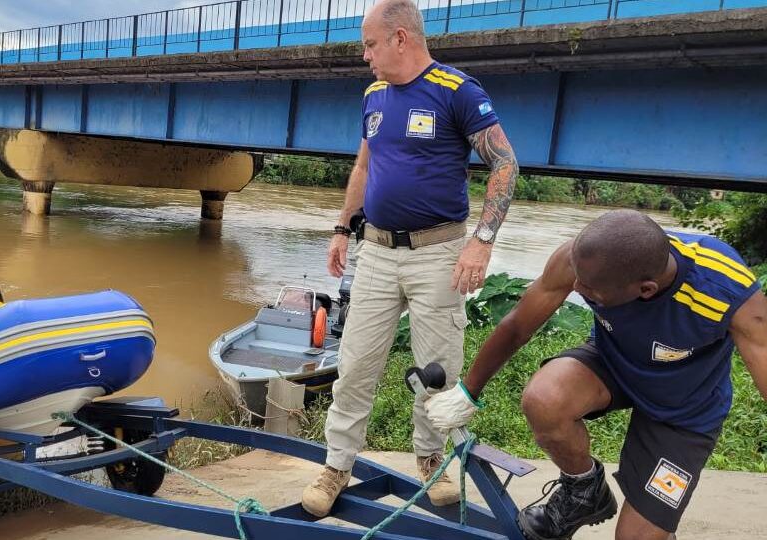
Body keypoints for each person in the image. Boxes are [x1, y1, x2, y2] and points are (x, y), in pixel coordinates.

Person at [301, 0, 519, 517]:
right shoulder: (374, 94)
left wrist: (482, 240)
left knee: (435, 371)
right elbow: (365, 162)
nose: (365, 55)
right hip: (375, 251)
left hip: (438, 254)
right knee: (353, 366)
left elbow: (505, 163)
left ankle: (432, 462)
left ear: (401, 38)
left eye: (371, 44)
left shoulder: (457, 92)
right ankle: (336, 466)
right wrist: (341, 228)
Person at [425, 210, 767, 540]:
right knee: (544, 399)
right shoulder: (583, 257)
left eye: (587, 288)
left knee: (637, 537)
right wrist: (467, 391)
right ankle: (584, 491)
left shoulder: (726, 291)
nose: (574, 285)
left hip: (684, 409)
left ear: (645, 289)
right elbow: (517, 326)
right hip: (612, 363)